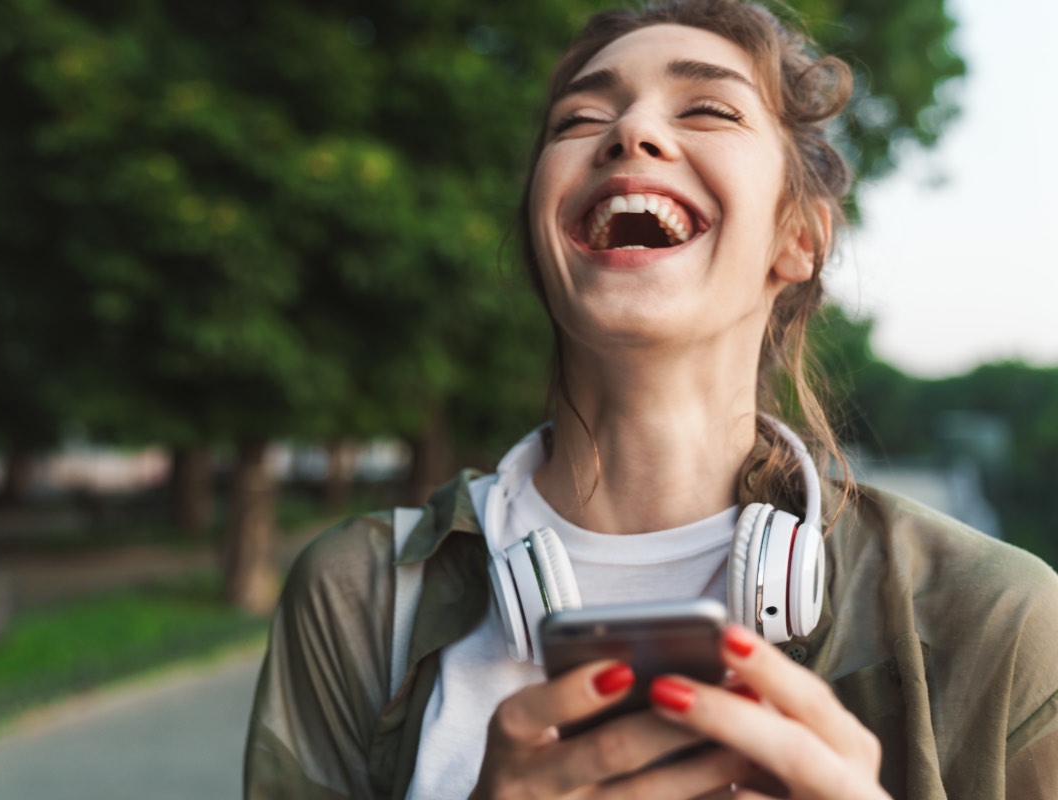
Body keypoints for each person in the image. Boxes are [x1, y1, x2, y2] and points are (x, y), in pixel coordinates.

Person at [244, 1, 1058, 797]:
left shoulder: (999, 620)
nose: (630, 133)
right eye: (577, 120)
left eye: (707, 108)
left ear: (799, 237)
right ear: (541, 231)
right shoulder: (359, 596)